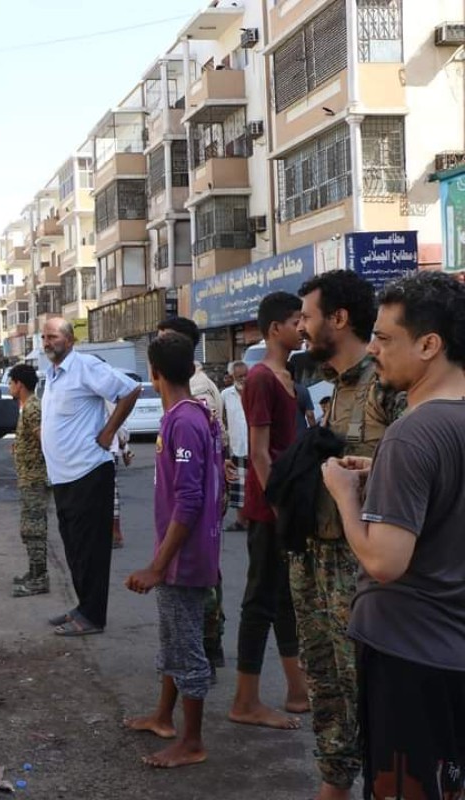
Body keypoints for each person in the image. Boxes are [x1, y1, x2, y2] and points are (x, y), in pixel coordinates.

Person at [322, 272, 465, 800]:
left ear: (430, 345)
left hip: (411, 655)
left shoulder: (413, 431)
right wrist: (382, 470)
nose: (374, 349)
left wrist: (344, 493)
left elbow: (384, 562)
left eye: (385, 339)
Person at [293, 269, 405, 800]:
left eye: (308, 317)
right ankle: (334, 784)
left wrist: (362, 471)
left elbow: (419, 465)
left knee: (368, 689)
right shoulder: (332, 389)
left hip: (359, 567)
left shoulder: (387, 385)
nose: (301, 328)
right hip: (316, 557)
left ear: (338, 319)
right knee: (325, 683)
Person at [124, 331, 223, 769]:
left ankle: (193, 741)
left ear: (155, 373)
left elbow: (190, 500)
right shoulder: (191, 414)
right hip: (187, 553)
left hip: (183, 560)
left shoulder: (184, 420)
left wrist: (157, 566)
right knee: (173, 641)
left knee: (187, 650)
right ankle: (163, 717)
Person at [231, 291, 309, 729]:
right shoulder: (261, 378)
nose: (303, 326)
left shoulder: (288, 374)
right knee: (260, 601)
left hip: (285, 505)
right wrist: (280, 508)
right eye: (297, 319)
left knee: (284, 601)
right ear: (276, 327)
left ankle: (297, 691)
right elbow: (259, 454)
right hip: (268, 511)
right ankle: (246, 701)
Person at [40, 317, 140, 637]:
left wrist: (109, 431)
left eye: (53, 336)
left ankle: (93, 616)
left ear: (70, 340)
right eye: (44, 337)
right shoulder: (52, 374)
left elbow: (130, 390)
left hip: (89, 472)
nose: (47, 342)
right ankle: (83, 607)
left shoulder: (86, 366)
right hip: (64, 477)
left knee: (91, 549)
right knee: (73, 546)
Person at [158, 316, 227, 676]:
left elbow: (190, 495)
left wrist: (158, 564)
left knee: (196, 606)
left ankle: (205, 655)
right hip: (189, 520)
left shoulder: (191, 404)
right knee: (177, 628)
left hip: (190, 533)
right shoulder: (182, 408)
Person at [8, 364, 50, 597]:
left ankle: (40, 577)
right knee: (29, 528)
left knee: (34, 529)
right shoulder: (27, 406)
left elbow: (44, 439)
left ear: (19, 384)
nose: (9, 387)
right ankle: (34, 572)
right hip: (28, 477)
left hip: (35, 479)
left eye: (11, 383)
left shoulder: (33, 408)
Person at [221, 361, 249, 532]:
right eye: (240, 376)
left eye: (246, 375)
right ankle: (240, 521)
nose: (244, 379)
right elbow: (220, 421)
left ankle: (255, 521)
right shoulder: (225, 395)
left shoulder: (255, 392)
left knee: (257, 487)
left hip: (256, 447)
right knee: (238, 487)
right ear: (232, 377)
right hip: (236, 446)